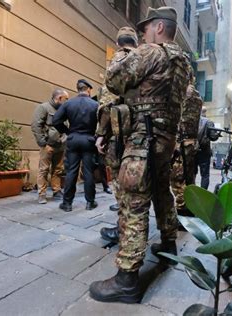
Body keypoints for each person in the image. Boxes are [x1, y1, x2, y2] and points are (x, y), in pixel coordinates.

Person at [89, 6, 191, 303]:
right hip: (165, 141)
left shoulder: (152, 53)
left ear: (159, 27)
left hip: (142, 141)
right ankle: (168, 245)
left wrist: (122, 55)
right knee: (162, 194)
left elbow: (114, 79)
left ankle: (127, 280)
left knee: (133, 204)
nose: (144, 34)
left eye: (147, 29)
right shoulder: (183, 63)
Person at [95, 26, 139, 244]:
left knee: (121, 185)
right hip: (142, 135)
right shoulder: (144, 60)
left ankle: (123, 230)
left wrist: (101, 134)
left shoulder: (117, 61)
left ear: (119, 42)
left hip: (119, 135)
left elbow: (106, 103)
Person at [52, 79, 98, 212]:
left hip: (73, 139)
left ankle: (67, 203)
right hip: (89, 139)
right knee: (88, 171)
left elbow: (55, 120)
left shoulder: (68, 103)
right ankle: (90, 202)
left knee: (71, 171)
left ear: (78, 89)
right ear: (88, 89)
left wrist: (67, 131)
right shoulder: (95, 104)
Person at [31, 88, 69, 204]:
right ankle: (42, 194)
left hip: (61, 145)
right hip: (48, 145)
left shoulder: (64, 110)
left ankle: (56, 190)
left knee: (58, 169)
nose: (67, 101)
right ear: (59, 98)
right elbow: (36, 126)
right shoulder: (43, 108)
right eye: (66, 99)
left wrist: (65, 139)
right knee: (44, 170)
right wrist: (43, 143)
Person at [170, 83, 202, 216]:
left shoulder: (181, 92)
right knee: (190, 177)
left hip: (181, 142)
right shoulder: (197, 96)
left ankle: (183, 212)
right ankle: (191, 208)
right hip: (192, 142)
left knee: (178, 179)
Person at [195, 106, 219, 190]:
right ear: (205, 112)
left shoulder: (192, 121)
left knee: (191, 173)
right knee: (205, 175)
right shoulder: (209, 122)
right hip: (204, 151)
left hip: (192, 151)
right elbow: (213, 137)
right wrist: (217, 134)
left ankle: (191, 194)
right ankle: (203, 194)